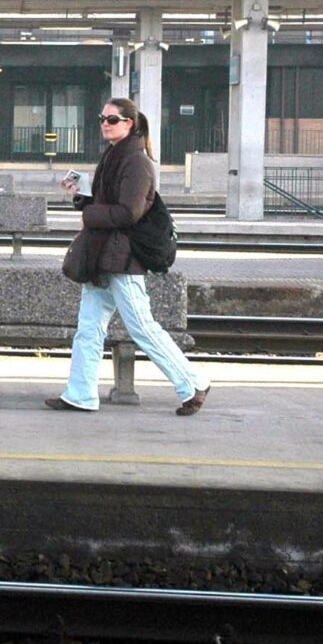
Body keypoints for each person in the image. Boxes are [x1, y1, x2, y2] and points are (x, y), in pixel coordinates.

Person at [48, 97, 210, 415]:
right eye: (102, 118)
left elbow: (128, 213)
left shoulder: (136, 162)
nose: (105, 124)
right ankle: (80, 394)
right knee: (89, 328)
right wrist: (82, 196)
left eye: (112, 119)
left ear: (129, 124)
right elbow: (108, 204)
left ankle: (194, 383)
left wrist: (89, 214)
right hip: (103, 256)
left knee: (142, 327)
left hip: (122, 258)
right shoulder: (114, 156)